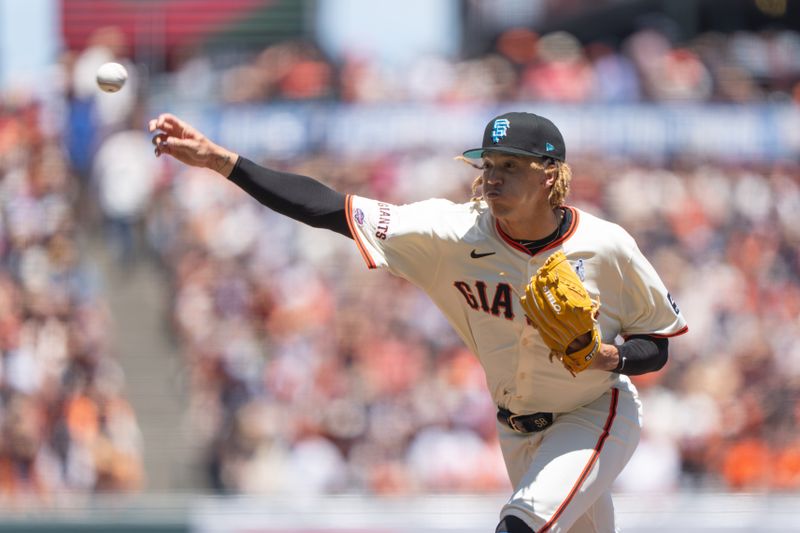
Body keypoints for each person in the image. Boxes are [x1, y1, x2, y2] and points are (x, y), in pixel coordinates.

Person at [149, 110, 688, 532]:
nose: (491, 177)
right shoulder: (449, 235)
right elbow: (330, 208)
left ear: (551, 176)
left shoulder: (606, 246)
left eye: (509, 166)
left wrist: (605, 357)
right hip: (516, 429)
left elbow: (658, 342)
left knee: (522, 522)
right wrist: (223, 162)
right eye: (488, 164)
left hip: (596, 410)